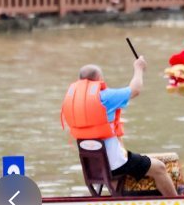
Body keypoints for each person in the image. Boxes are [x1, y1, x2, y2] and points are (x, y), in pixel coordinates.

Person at [60, 58, 178, 197]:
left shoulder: (73, 102)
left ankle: (127, 202)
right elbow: (135, 89)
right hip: (116, 164)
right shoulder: (105, 97)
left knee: (134, 163)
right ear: (99, 78)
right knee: (159, 168)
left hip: (94, 167)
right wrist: (138, 68)